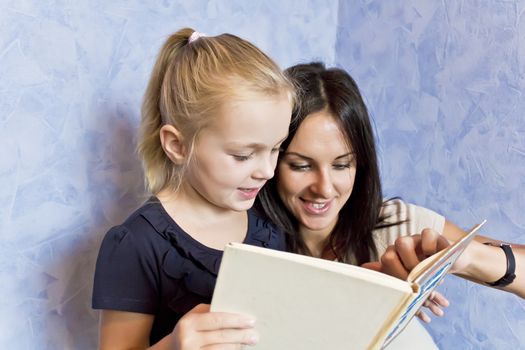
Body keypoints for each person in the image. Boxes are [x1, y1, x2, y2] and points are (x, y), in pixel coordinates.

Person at [256, 62, 524, 345]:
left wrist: (465, 258)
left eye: (341, 165)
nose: (323, 188)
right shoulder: (244, 234)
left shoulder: (397, 226)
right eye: (300, 166)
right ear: (271, 160)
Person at [92, 28, 294, 349]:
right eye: (243, 155)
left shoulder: (269, 222)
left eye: (276, 148)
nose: (267, 171)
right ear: (177, 145)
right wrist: (173, 346)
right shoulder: (135, 244)